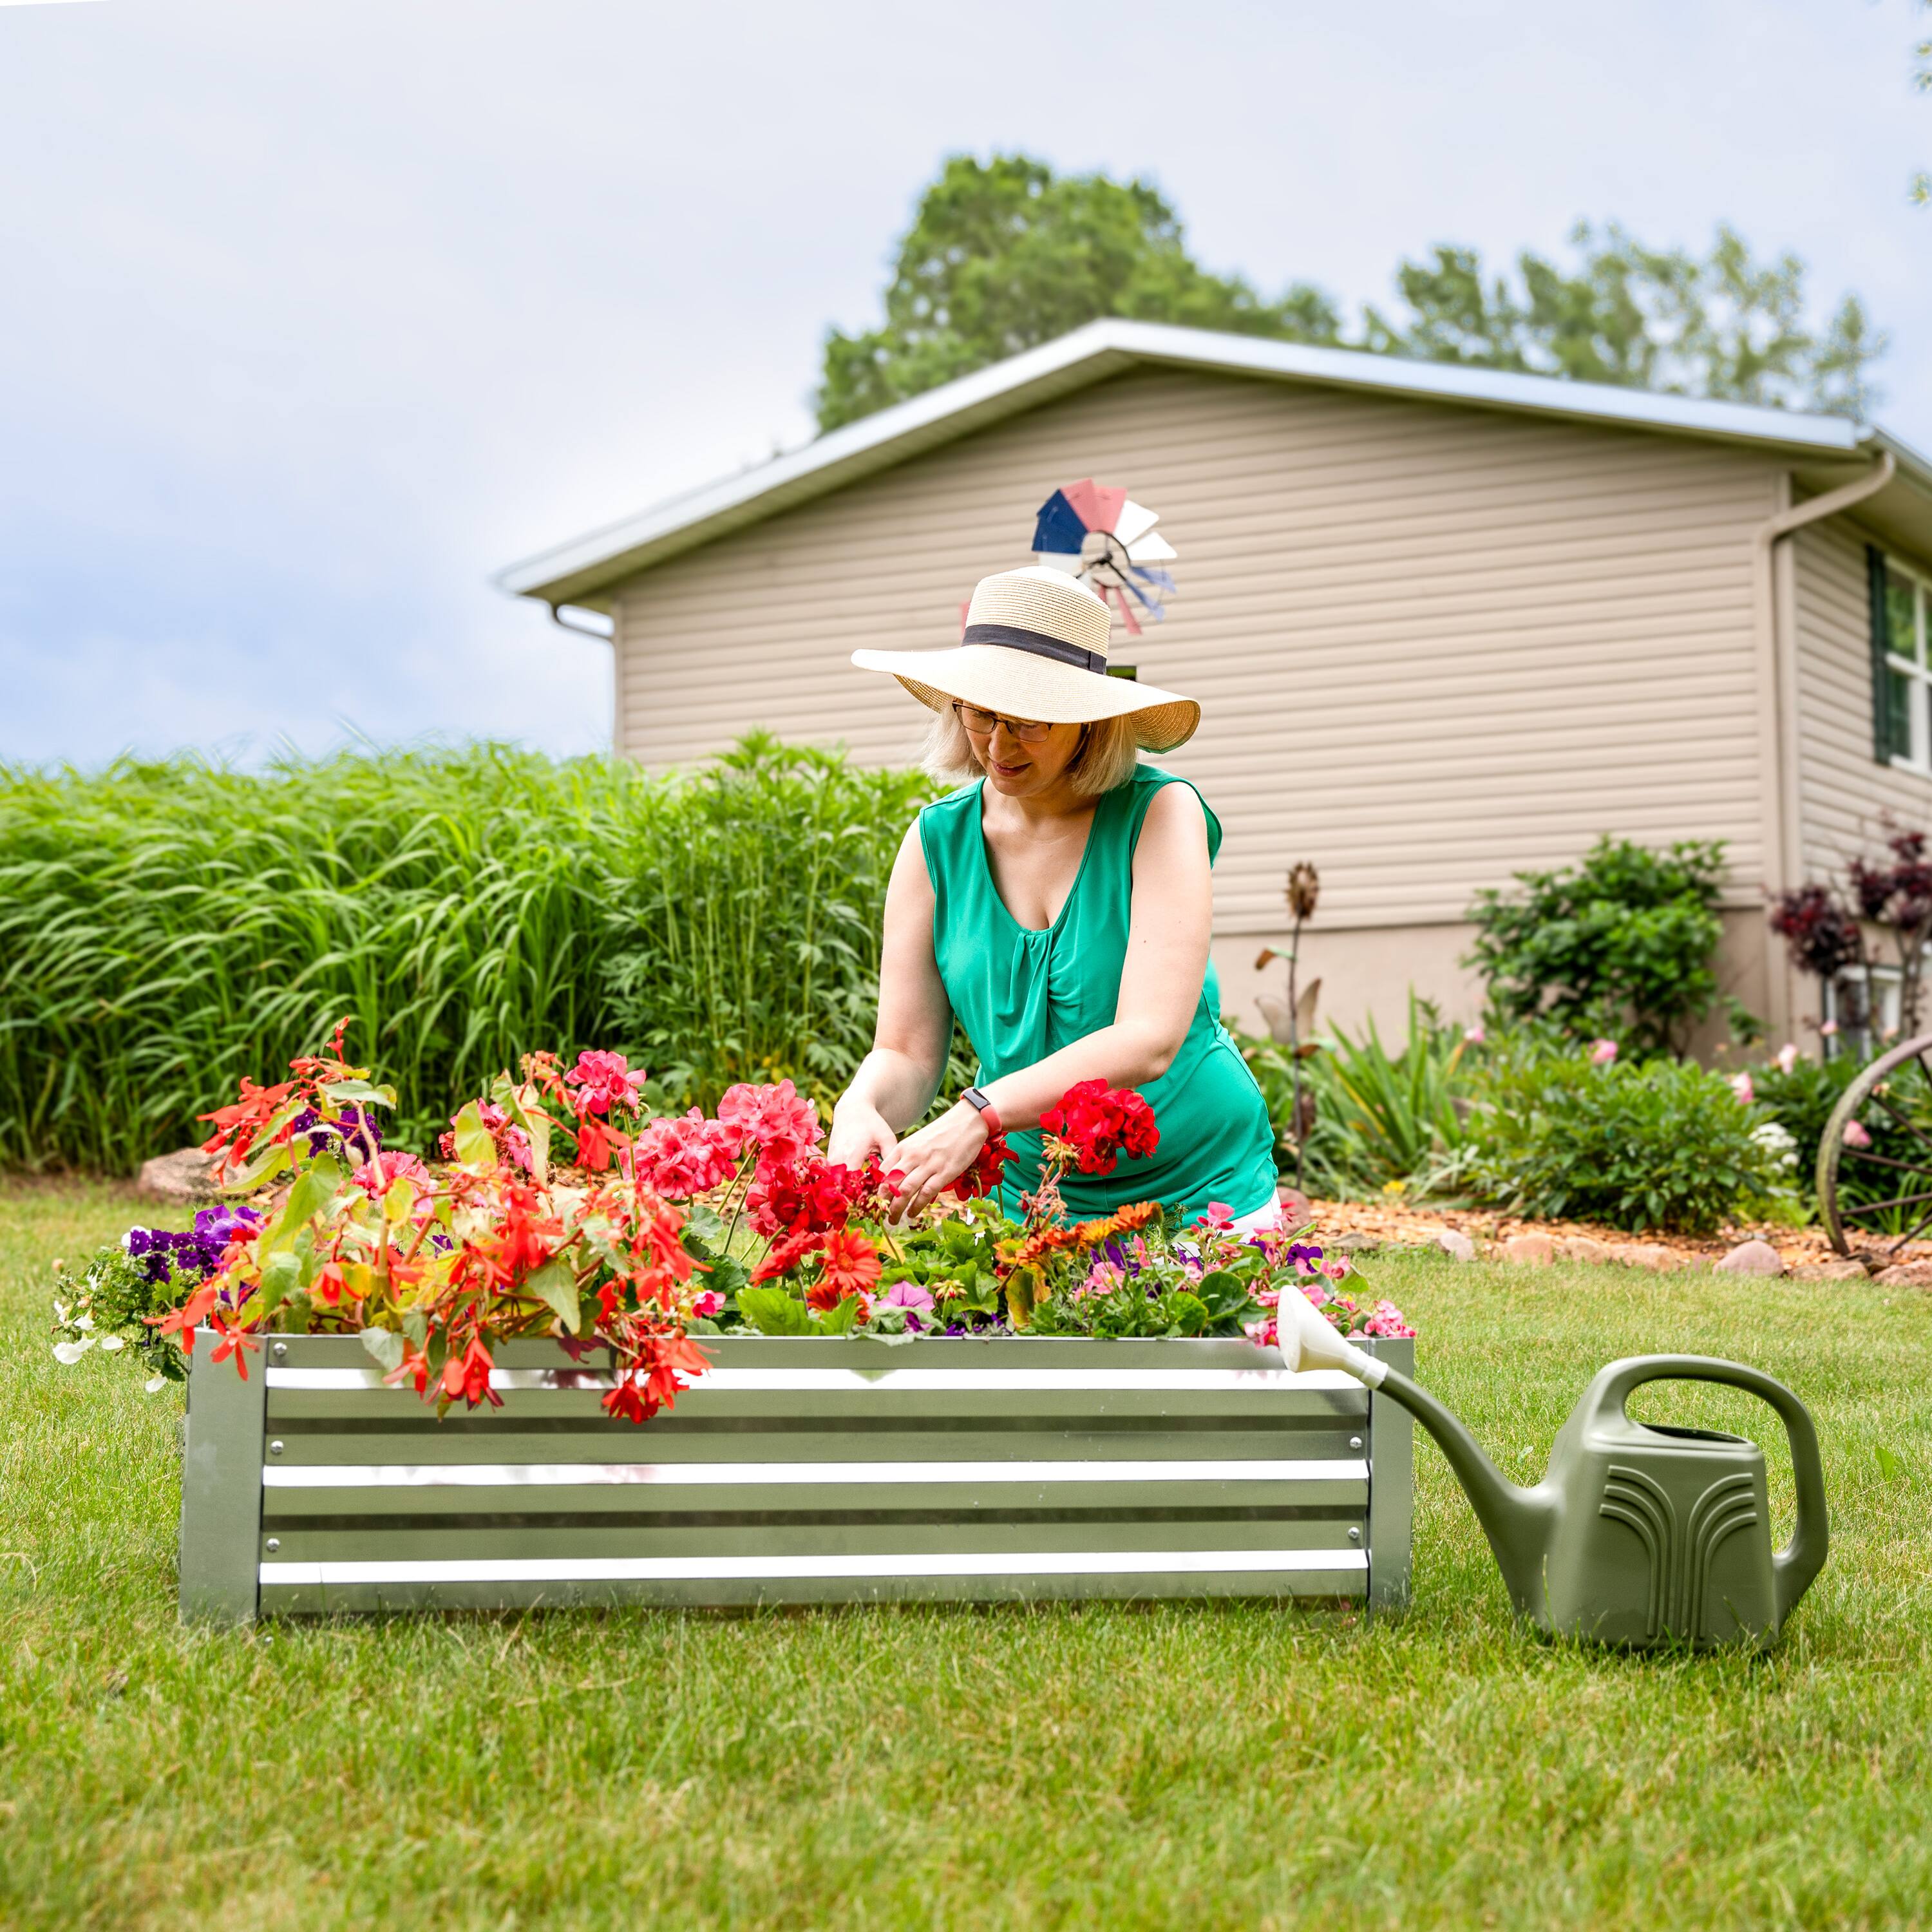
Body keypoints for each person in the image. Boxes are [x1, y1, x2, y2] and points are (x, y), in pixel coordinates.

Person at [827, 564, 1279, 1230]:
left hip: (1200, 1188)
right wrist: (859, 1105)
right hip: (1032, 1197)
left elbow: (1147, 1039)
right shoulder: (936, 845)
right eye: (982, 714)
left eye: (1030, 721)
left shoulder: (1161, 816)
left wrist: (978, 1112)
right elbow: (907, 1054)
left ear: (1089, 723)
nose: (999, 745)